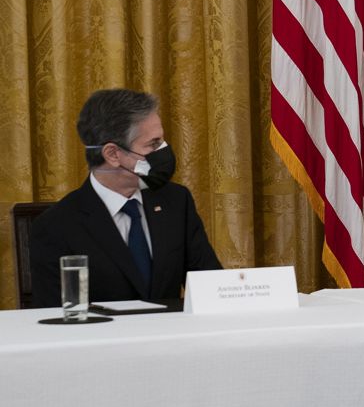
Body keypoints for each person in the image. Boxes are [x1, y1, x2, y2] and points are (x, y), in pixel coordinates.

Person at [30, 89, 222, 307]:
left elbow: (210, 287)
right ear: (113, 154)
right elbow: (54, 316)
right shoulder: (55, 226)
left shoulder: (176, 202)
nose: (163, 152)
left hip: (171, 338)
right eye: (153, 144)